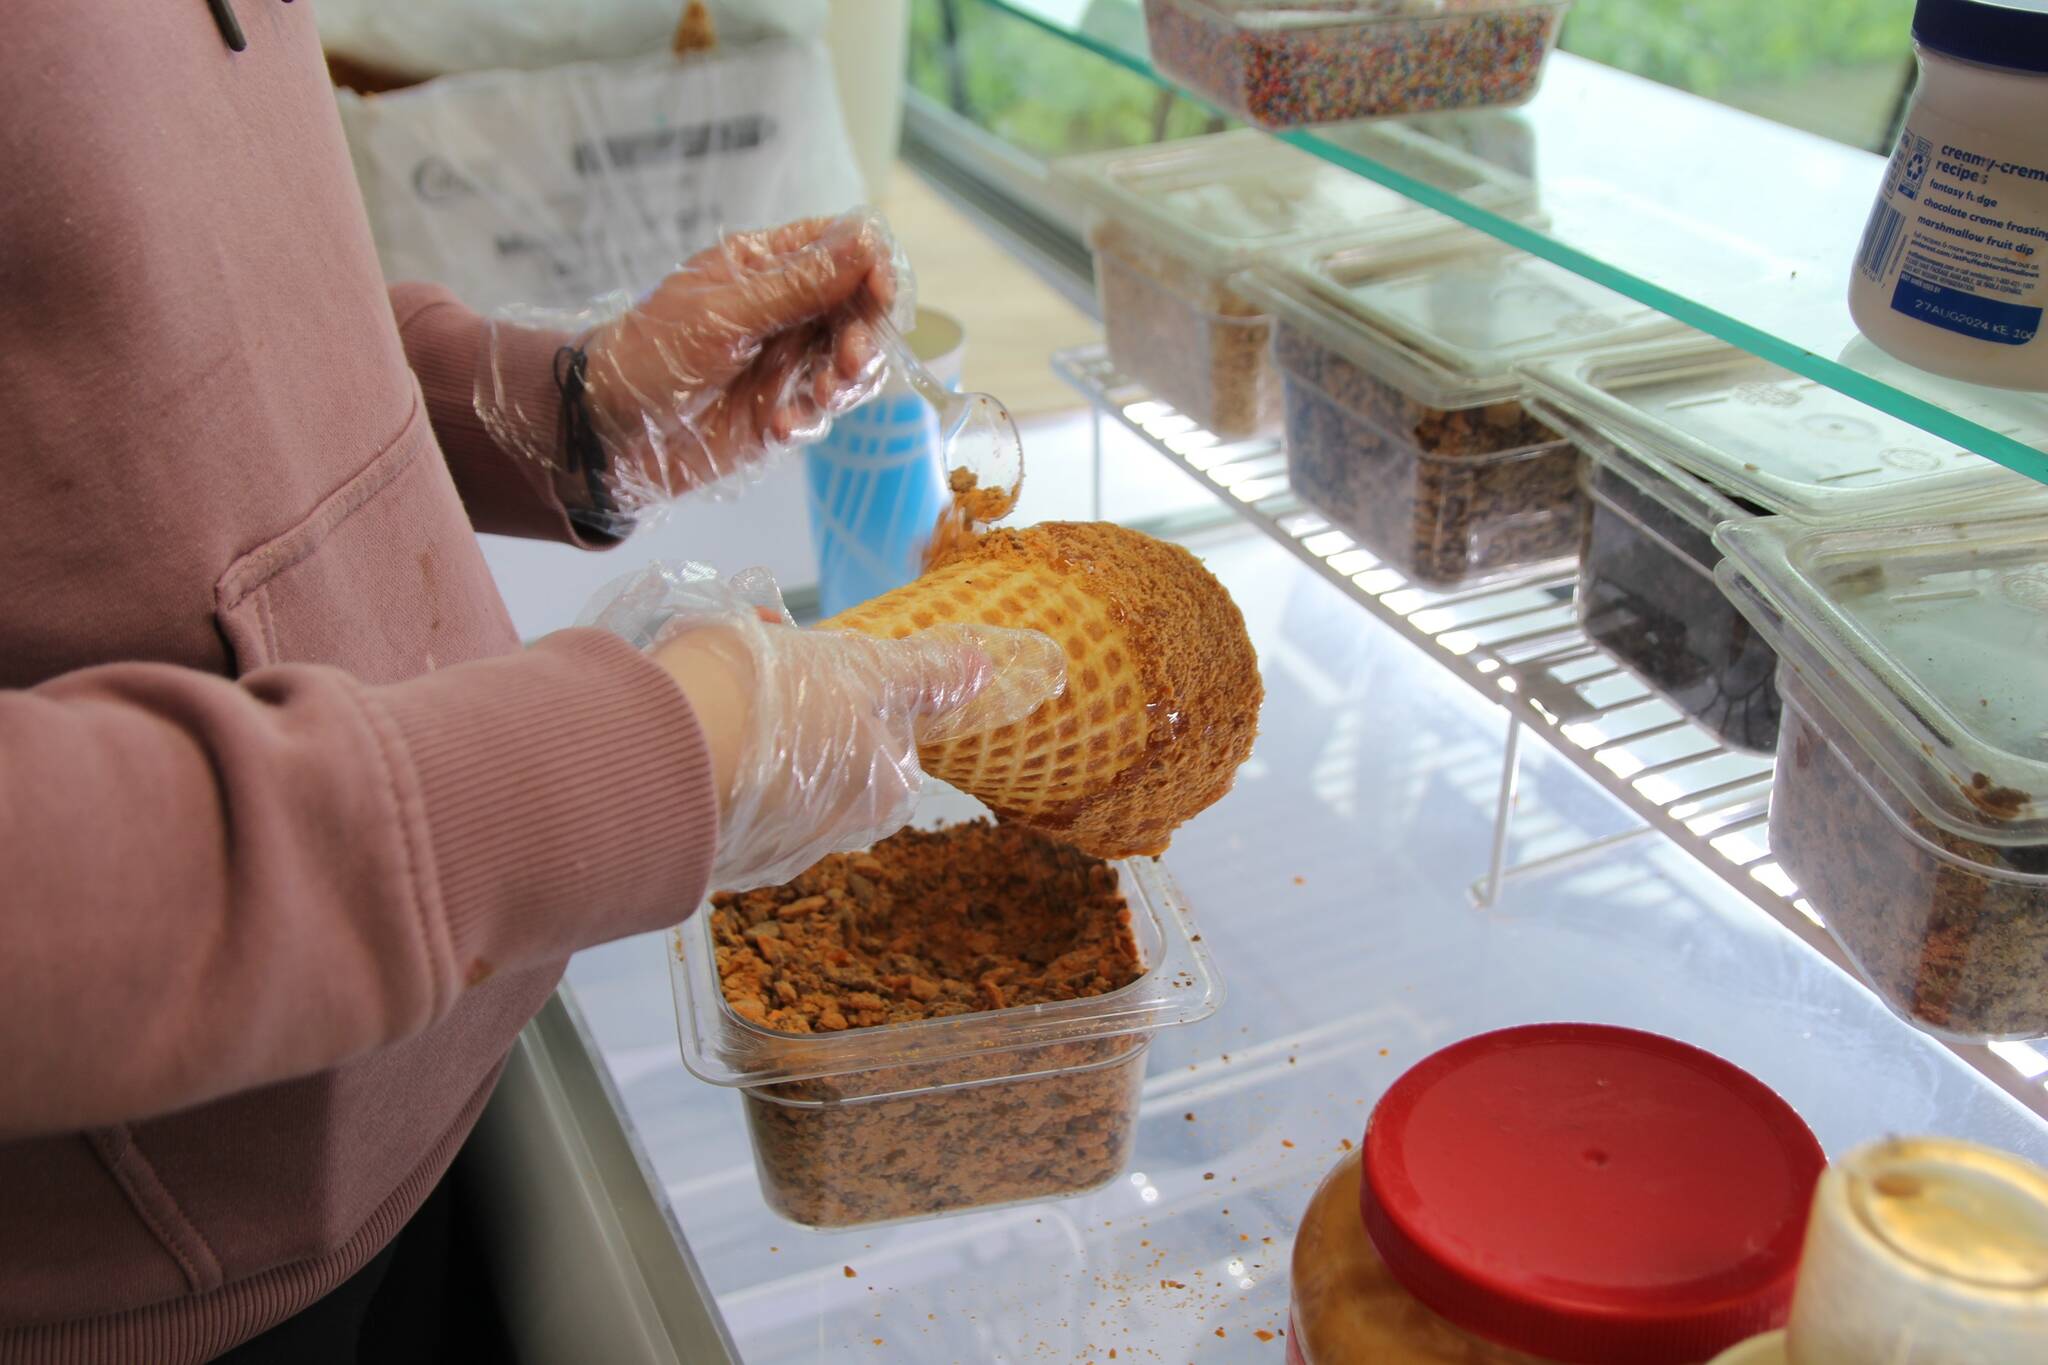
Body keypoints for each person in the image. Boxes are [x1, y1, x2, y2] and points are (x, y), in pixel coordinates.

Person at [0, 4, 1059, 1361]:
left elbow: (141, 313)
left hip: (430, 1065)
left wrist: (555, 409)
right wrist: (658, 755)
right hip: (150, 1257)